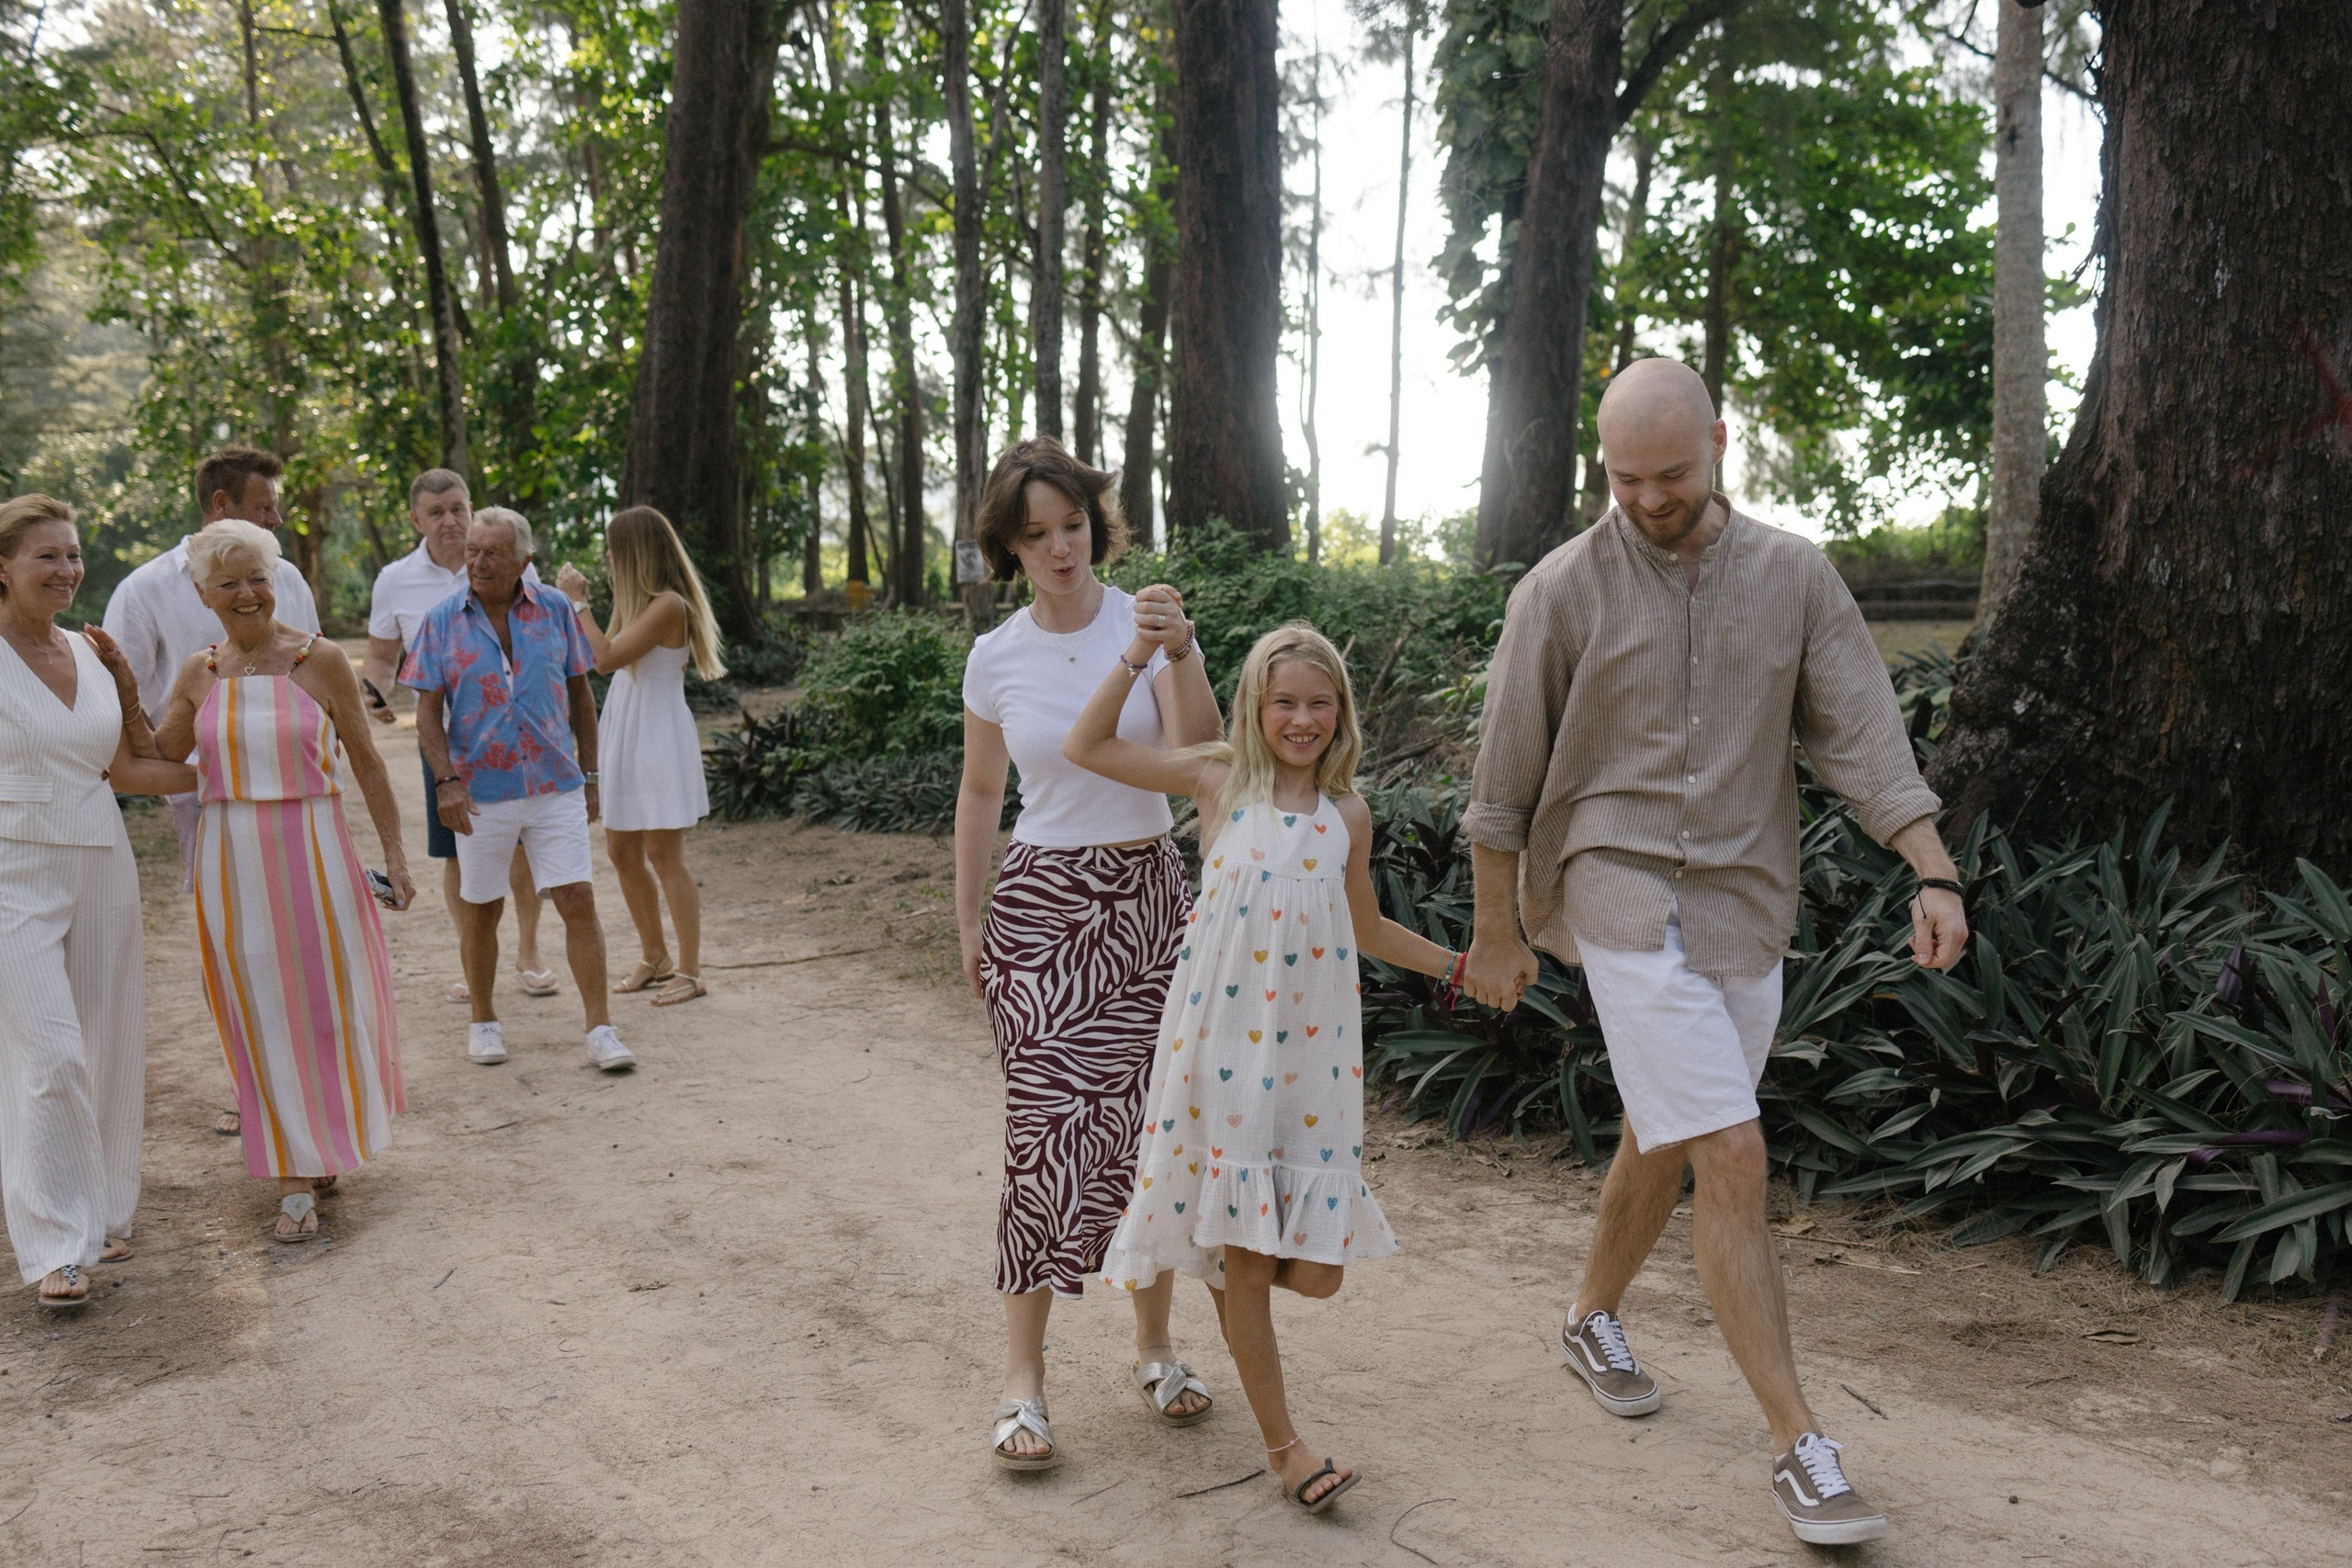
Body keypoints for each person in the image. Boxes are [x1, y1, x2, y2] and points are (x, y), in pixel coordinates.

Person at [1459, 357, 1969, 1546]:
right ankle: (1801, 1442)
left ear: (1722, 442)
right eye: (1624, 477)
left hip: (1747, 901)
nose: (1645, 498)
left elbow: (1862, 739)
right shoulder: (1561, 589)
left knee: (1667, 1127)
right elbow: (1501, 786)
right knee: (1731, 1151)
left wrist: (1933, 867)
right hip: (1616, 887)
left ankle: (1590, 1313)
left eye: (1671, 474)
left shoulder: (1793, 577)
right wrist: (1495, 929)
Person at [1070, 622, 1457, 1514]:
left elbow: (1364, 927)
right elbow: (1085, 746)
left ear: (1342, 713)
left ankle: (1215, 1257)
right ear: (1253, 705)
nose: (1302, 719)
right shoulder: (1218, 779)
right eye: (1283, 701)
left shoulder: (1346, 815)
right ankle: (1287, 1451)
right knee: (1249, 1260)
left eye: (1320, 703)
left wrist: (1460, 967)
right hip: (1221, 1048)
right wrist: (1138, 655)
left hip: (1312, 1068)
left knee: (1318, 1272)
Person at [955, 436, 1223, 1470]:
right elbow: (984, 794)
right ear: (1008, 546)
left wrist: (1181, 647)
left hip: (1151, 899)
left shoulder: (1143, 620)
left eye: (1072, 525)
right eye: (1037, 534)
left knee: (1153, 1130)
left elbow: (1203, 756)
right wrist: (968, 919)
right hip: (1038, 911)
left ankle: (1154, 1346)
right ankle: (1022, 1379)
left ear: (1094, 523)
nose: (1060, 548)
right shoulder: (996, 657)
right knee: (1045, 1136)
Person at [153, 522, 413, 1245]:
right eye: (228, 582)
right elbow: (163, 753)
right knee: (259, 1008)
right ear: (204, 594)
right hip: (230, 859)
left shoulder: (318, 659)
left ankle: (321, 1139)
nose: (246, 593)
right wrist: (113, 682)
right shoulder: (199, 671)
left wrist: (395, 851)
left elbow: (366, 759)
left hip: (315, 848)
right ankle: (293, 1175)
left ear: (276, 581)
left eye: (257, 577)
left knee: (324, 1006)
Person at [0, 495, 196, 1309]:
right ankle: (52, 1247)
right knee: (51, 1054)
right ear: (2, 568)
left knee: (110, 1043)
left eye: (73, 555)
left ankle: (106, 1208)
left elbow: (132, 772)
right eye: (47, 556)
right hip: (14, 870)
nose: (68, 570)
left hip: (103, 862)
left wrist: (246, 767)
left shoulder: (94, 650)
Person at [102, 445, 319, 1139]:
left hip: (295, 800)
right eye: (265, 506)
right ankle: (246, 1079)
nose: (278, 519)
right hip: (206, 804)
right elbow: (122, 706)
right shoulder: (142, 591)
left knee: (298, 939)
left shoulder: (282, 573)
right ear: (221, 506)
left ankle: (309, 1080)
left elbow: (314, 674)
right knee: (232, 944)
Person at [403, 507, 635, 1072]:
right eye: (473, 552)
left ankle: (600, 1030)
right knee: (482, 910)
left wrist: (592, 775)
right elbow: (428, 715)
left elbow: (581, 697)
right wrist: (446, 782)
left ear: (524, 562)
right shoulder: (441, 621)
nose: (478, 563)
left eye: (492, 554)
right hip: (481, 790)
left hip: (555, 783)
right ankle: (483, 1020)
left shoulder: (554, 610)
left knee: (578, 900)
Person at [362, 468, 555, 1004]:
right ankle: (475, 958)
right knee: (458, 852)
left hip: (513, 737)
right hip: (445, 741)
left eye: (458, 508)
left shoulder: (509, 561)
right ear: (415, 520)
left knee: (520, 846)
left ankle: (529, 952)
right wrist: (373, 691)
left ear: (471, 507)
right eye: (436, 513)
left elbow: (537, 636)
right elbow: (382, 656)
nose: (450, 521)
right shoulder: (395, 579)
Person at [555, 505, 722, 1008]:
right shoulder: (635, 606)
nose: (606, 558)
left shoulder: (669, 605)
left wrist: (578, 603)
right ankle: (655, 956)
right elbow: (595, 655)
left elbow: (603, 660)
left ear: (633, 553)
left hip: (656, 737)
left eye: (612, 549)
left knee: (664, 855)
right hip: (626, 731)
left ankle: (691, 971)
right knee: (620, 851)